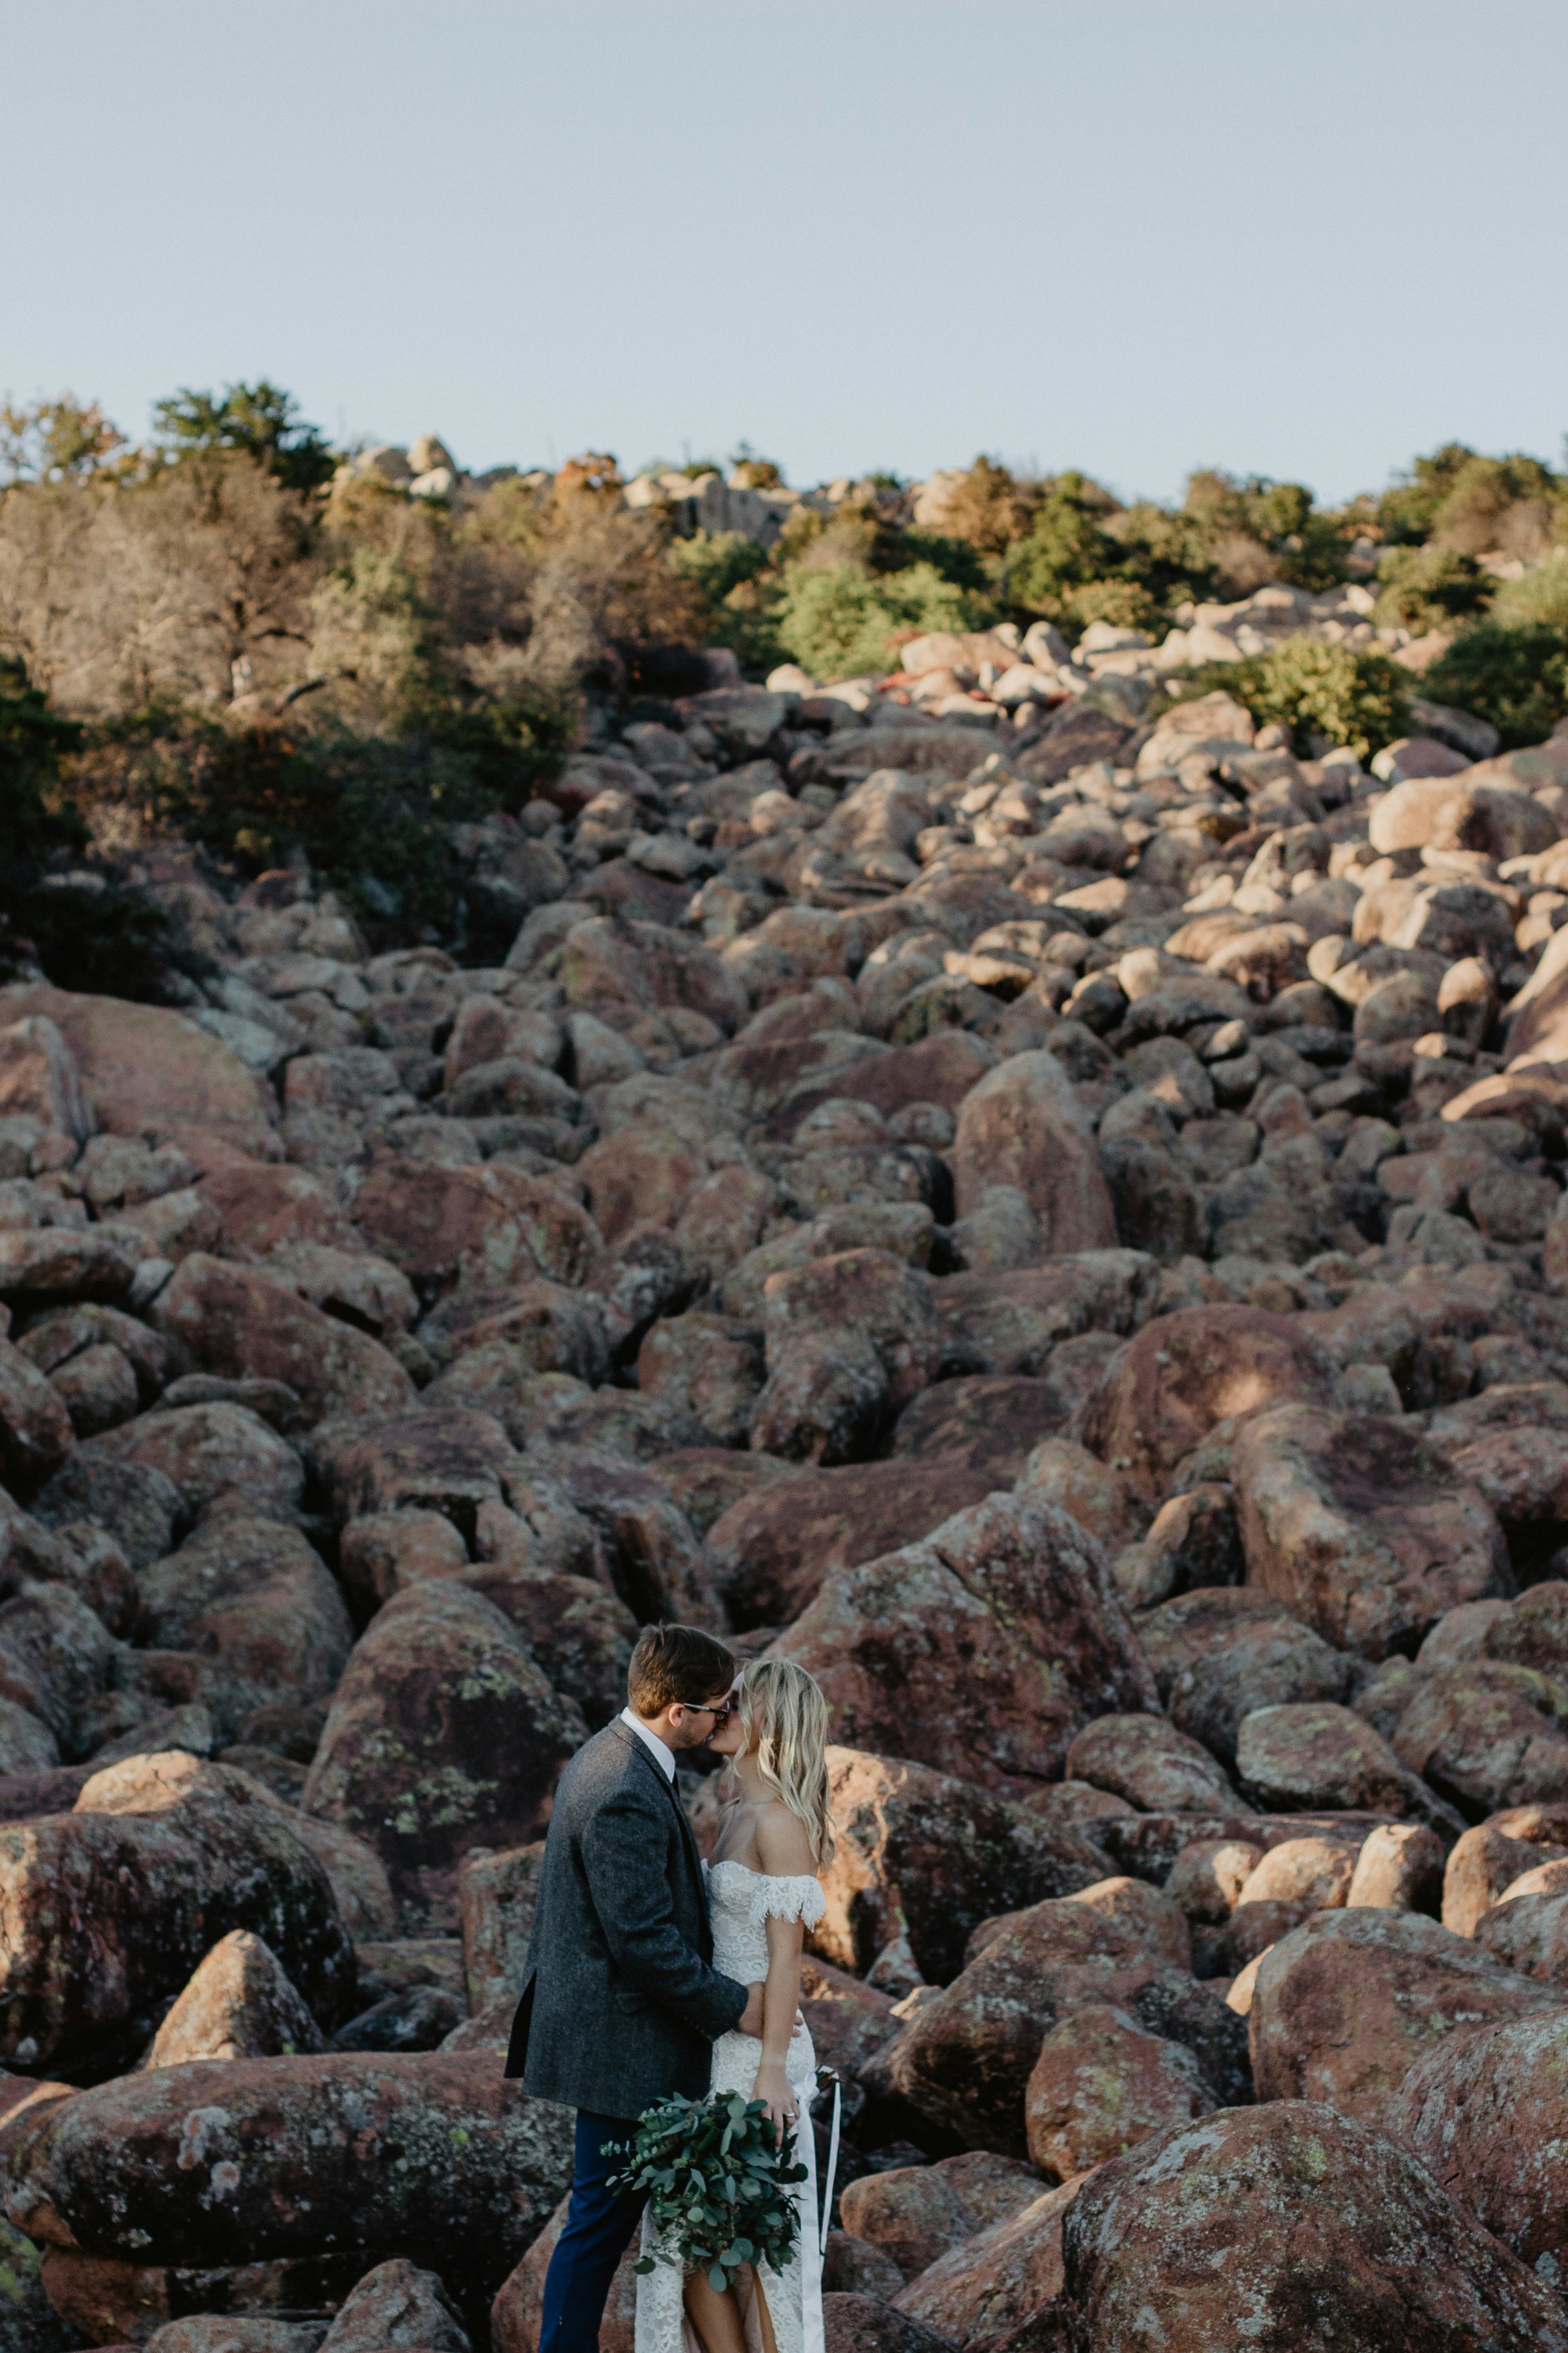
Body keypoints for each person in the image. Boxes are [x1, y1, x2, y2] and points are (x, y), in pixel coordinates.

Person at [507, 1624, 766, 2353]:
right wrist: (731, 2006)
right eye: (719, 1706)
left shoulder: (612, 1754)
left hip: (612, 2028)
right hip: (620, 2040)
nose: (726, 1717)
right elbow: (642, 1940)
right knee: (598, 2222)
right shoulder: (622, 1786)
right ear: (678, 1711)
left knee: (606, 2217)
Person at [637, 1656, 835, 2353]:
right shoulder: (733, 1811)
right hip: (715, 2039)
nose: (721, 1712)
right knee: (691, 2232)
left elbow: (788, 1960)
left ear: (770, 1723)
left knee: (762, 2237)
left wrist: (774, 2069)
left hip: (758, 2053)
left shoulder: (781, 1822)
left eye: (738, 1703)